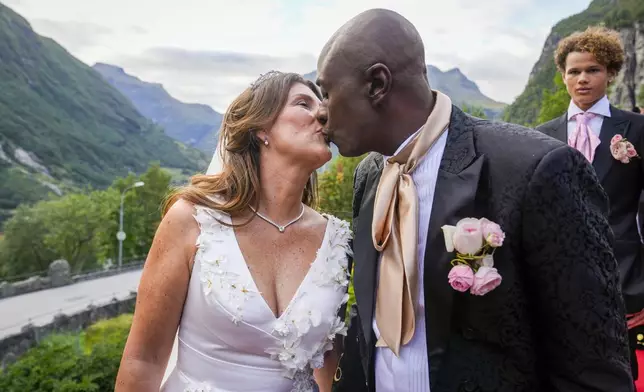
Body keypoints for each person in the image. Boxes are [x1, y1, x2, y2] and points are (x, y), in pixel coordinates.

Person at [315, 9, 634, 392]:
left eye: (326, 92)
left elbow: (592, 366)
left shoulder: (534, 168)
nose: (320, 112)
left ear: (377, 84)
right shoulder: (369, 176)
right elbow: (368, 328)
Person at [115, 71, 353, 392]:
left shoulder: (336, 242)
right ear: (261, 129)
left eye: (321, 105)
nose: (322, 114)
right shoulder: (192, 220)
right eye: (302, 103)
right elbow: (143, 360)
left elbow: (328, 365)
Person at [536, 26, 644, 381]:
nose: (583, 79)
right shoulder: (541, 135)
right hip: (556, 283)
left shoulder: (637, 129)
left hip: (625, 282)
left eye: (593, 70)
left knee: (621, 376)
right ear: (563, 76)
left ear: (610, 73)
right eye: (574, 71)